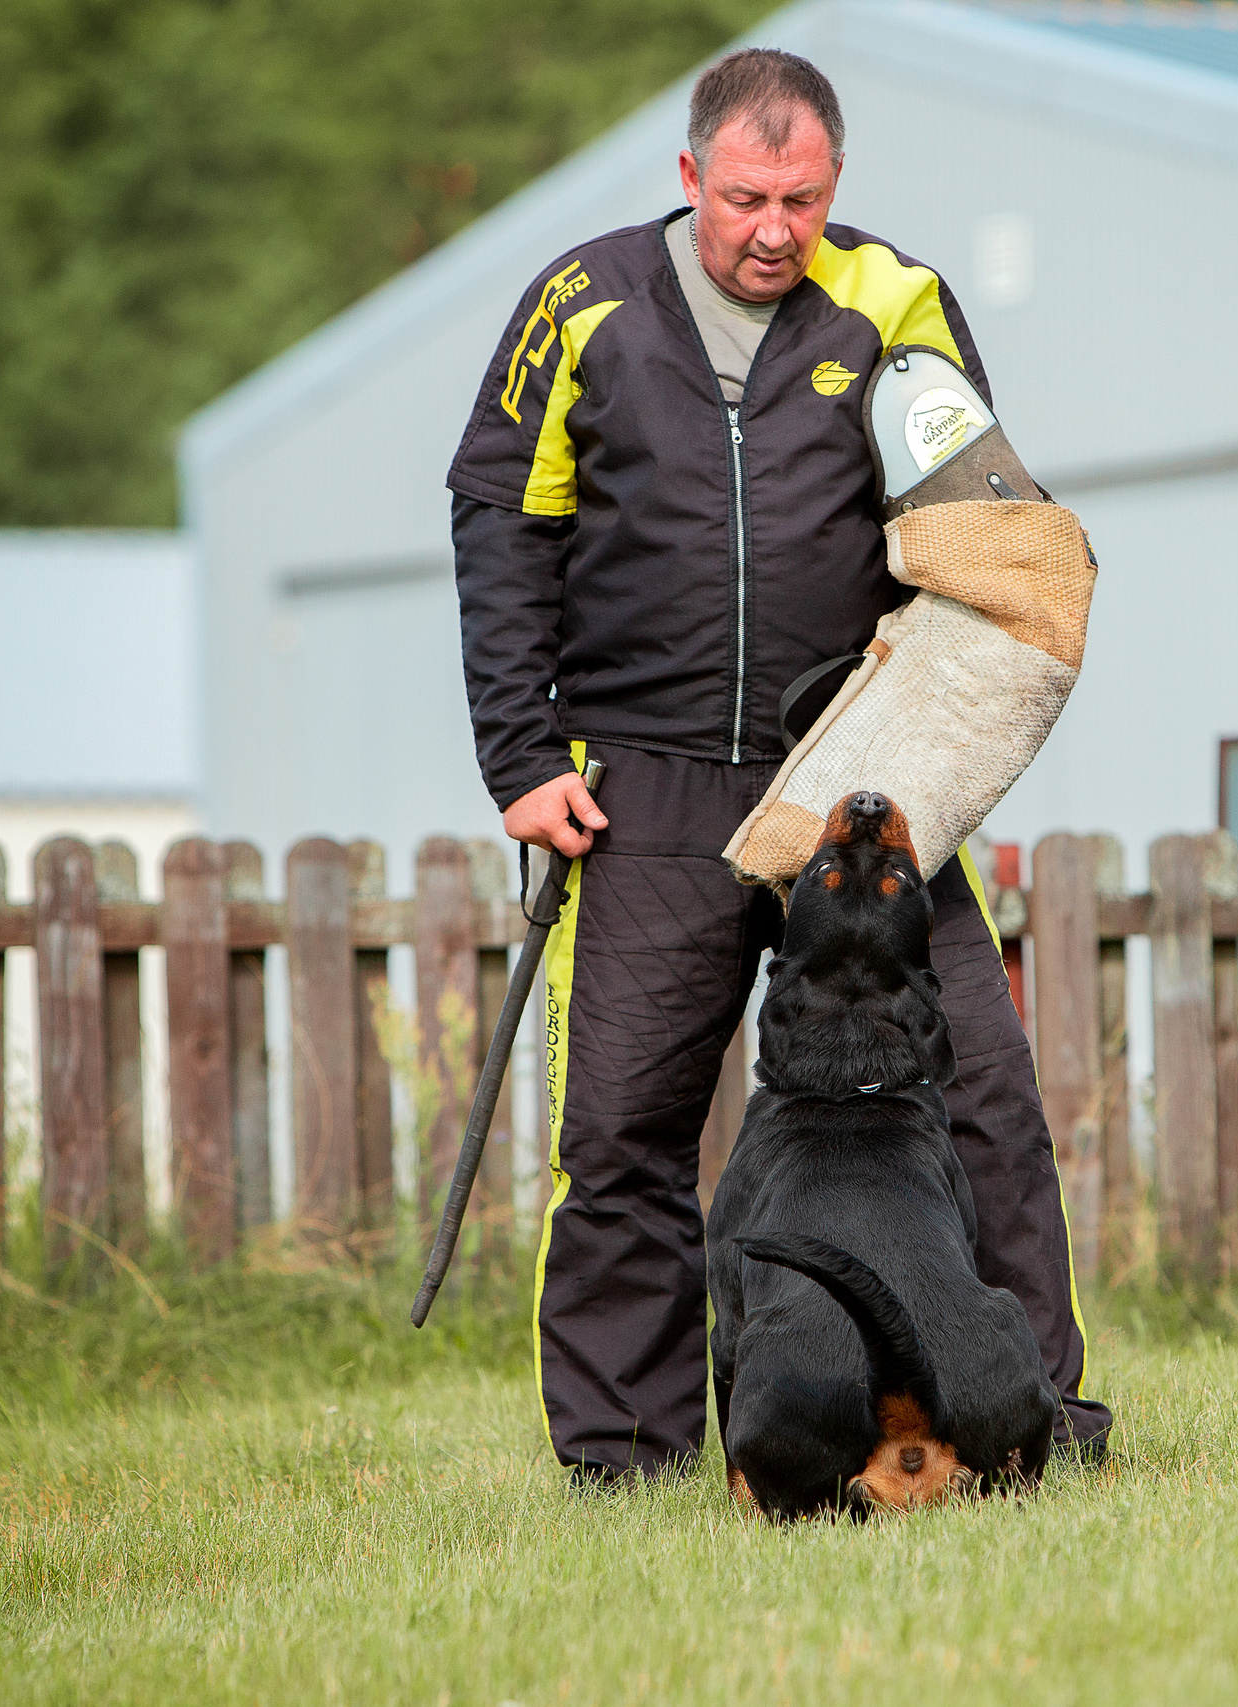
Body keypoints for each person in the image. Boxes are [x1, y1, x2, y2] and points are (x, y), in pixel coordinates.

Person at [446, 47, 1110, 1482]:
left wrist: (944, 754)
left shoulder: (895, 301)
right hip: (643, 781)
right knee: (621, 1132)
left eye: (799, 200)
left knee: (984, 1103)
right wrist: (517, 752)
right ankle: (628, 1459)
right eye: (745, 198)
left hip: (855, 779)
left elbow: (980, 532)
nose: (771, 230)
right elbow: (500, 515)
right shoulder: (582, 306)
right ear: (689, 179)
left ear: (836, 183)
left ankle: (1030, 1423)